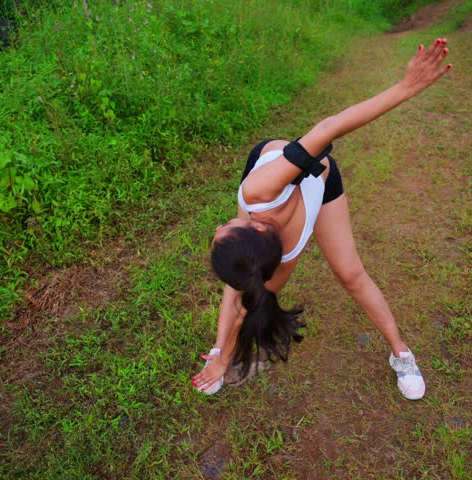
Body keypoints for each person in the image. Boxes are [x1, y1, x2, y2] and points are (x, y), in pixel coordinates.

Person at [191, 38, 451, 400]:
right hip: (282, 208)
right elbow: (244, 294)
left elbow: (328, 128)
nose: (220, 224)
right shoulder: (273, 260)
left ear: (257, 223)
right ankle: (221, 353)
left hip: (312, 179)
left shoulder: (258, 191)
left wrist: (405, 87)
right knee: (244, 282)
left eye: (224, 227)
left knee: (351, 275)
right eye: (226, 228)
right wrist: (222, 355)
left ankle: (402, 353)